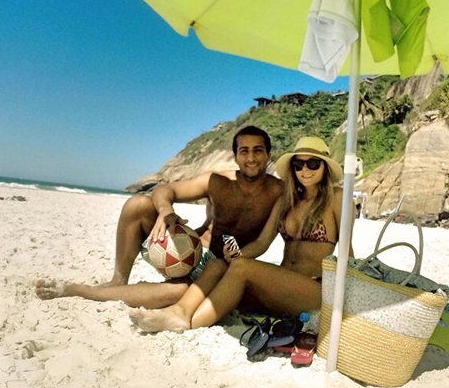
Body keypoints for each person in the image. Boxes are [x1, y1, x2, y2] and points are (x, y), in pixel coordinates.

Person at [34, 126, 284, 308]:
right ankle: (118, 280)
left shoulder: (279, 192)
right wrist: (166, 210)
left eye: (258, 151)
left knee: (180, 292)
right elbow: (166, 190)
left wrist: (240, 256)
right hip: (186, 251)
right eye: (244, 151)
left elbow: (264, 241)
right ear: (236, 156)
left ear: (268, 155)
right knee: (137, 204)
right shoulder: (217, 182)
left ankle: (85, 292)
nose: (251, 158)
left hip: (224, 266)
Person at [129, 135, 352, 333]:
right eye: (298, 164)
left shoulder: (337, 198)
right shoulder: (287, 200)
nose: (305, 169)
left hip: (314, 289)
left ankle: (186, 320)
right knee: (217, 265)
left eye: (313, 163)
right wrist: (236, 255)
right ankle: (179, 310)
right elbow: (262, 242)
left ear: (325, 167)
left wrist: (348, 303)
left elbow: (347, 252)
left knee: (243, 268)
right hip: (281, 286)